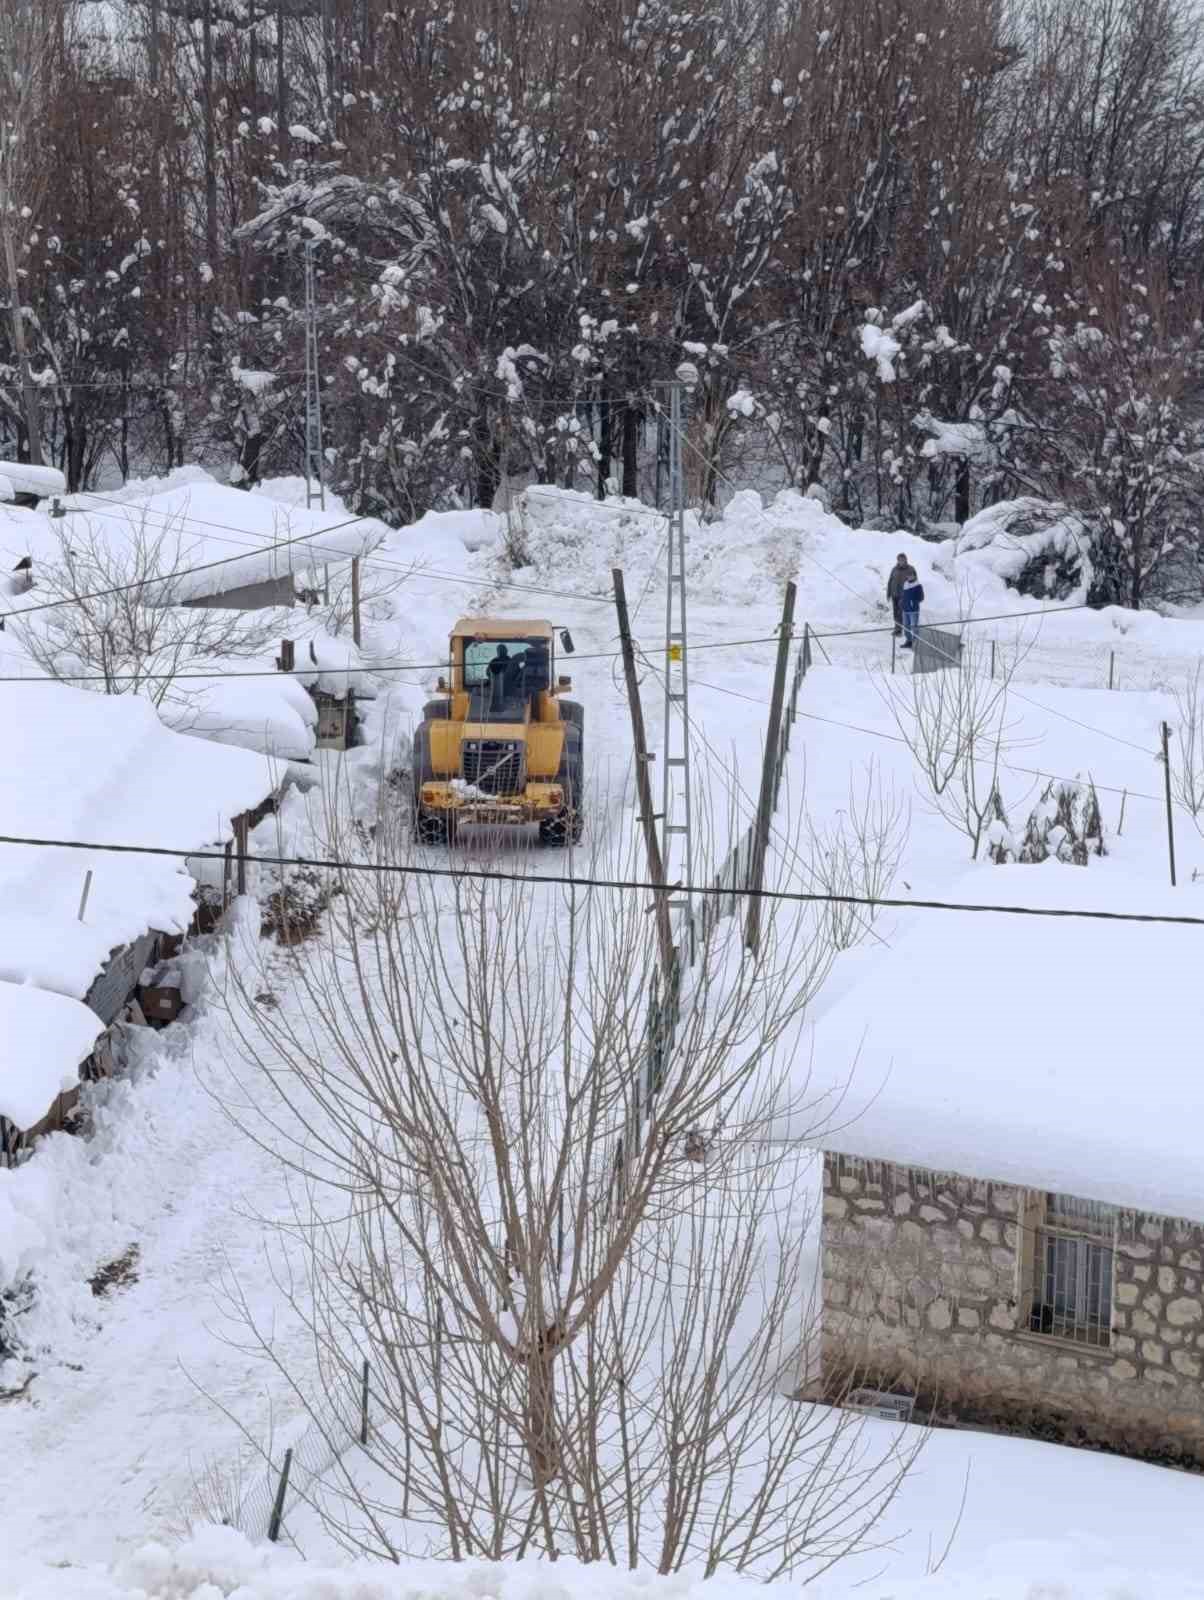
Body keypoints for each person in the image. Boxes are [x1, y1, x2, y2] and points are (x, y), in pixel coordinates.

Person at [886, 553, 912, 636]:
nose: (901, 561)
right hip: (895, 595)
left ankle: (898, 630)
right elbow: (890, 581)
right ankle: (897, 627)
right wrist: (888, 593)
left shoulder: (910, 569)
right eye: (899, 560)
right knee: (895, 613)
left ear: (905, 560)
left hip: (904, 595)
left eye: (902, 559)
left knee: (900, 613)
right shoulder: (894, 569)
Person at [900, 569, 924, 649]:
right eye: (908, 575)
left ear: (914, 575)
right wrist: (902, 602)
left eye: (911, 575)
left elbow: (921, 598)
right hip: (905, 610)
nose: (909, 576)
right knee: (906, 627)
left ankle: (916, 643)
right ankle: (909, 641)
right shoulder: (905, 584)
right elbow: (903, 596)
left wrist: (912, 601)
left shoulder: (918, 585)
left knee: (914, 627)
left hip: (913, 610)